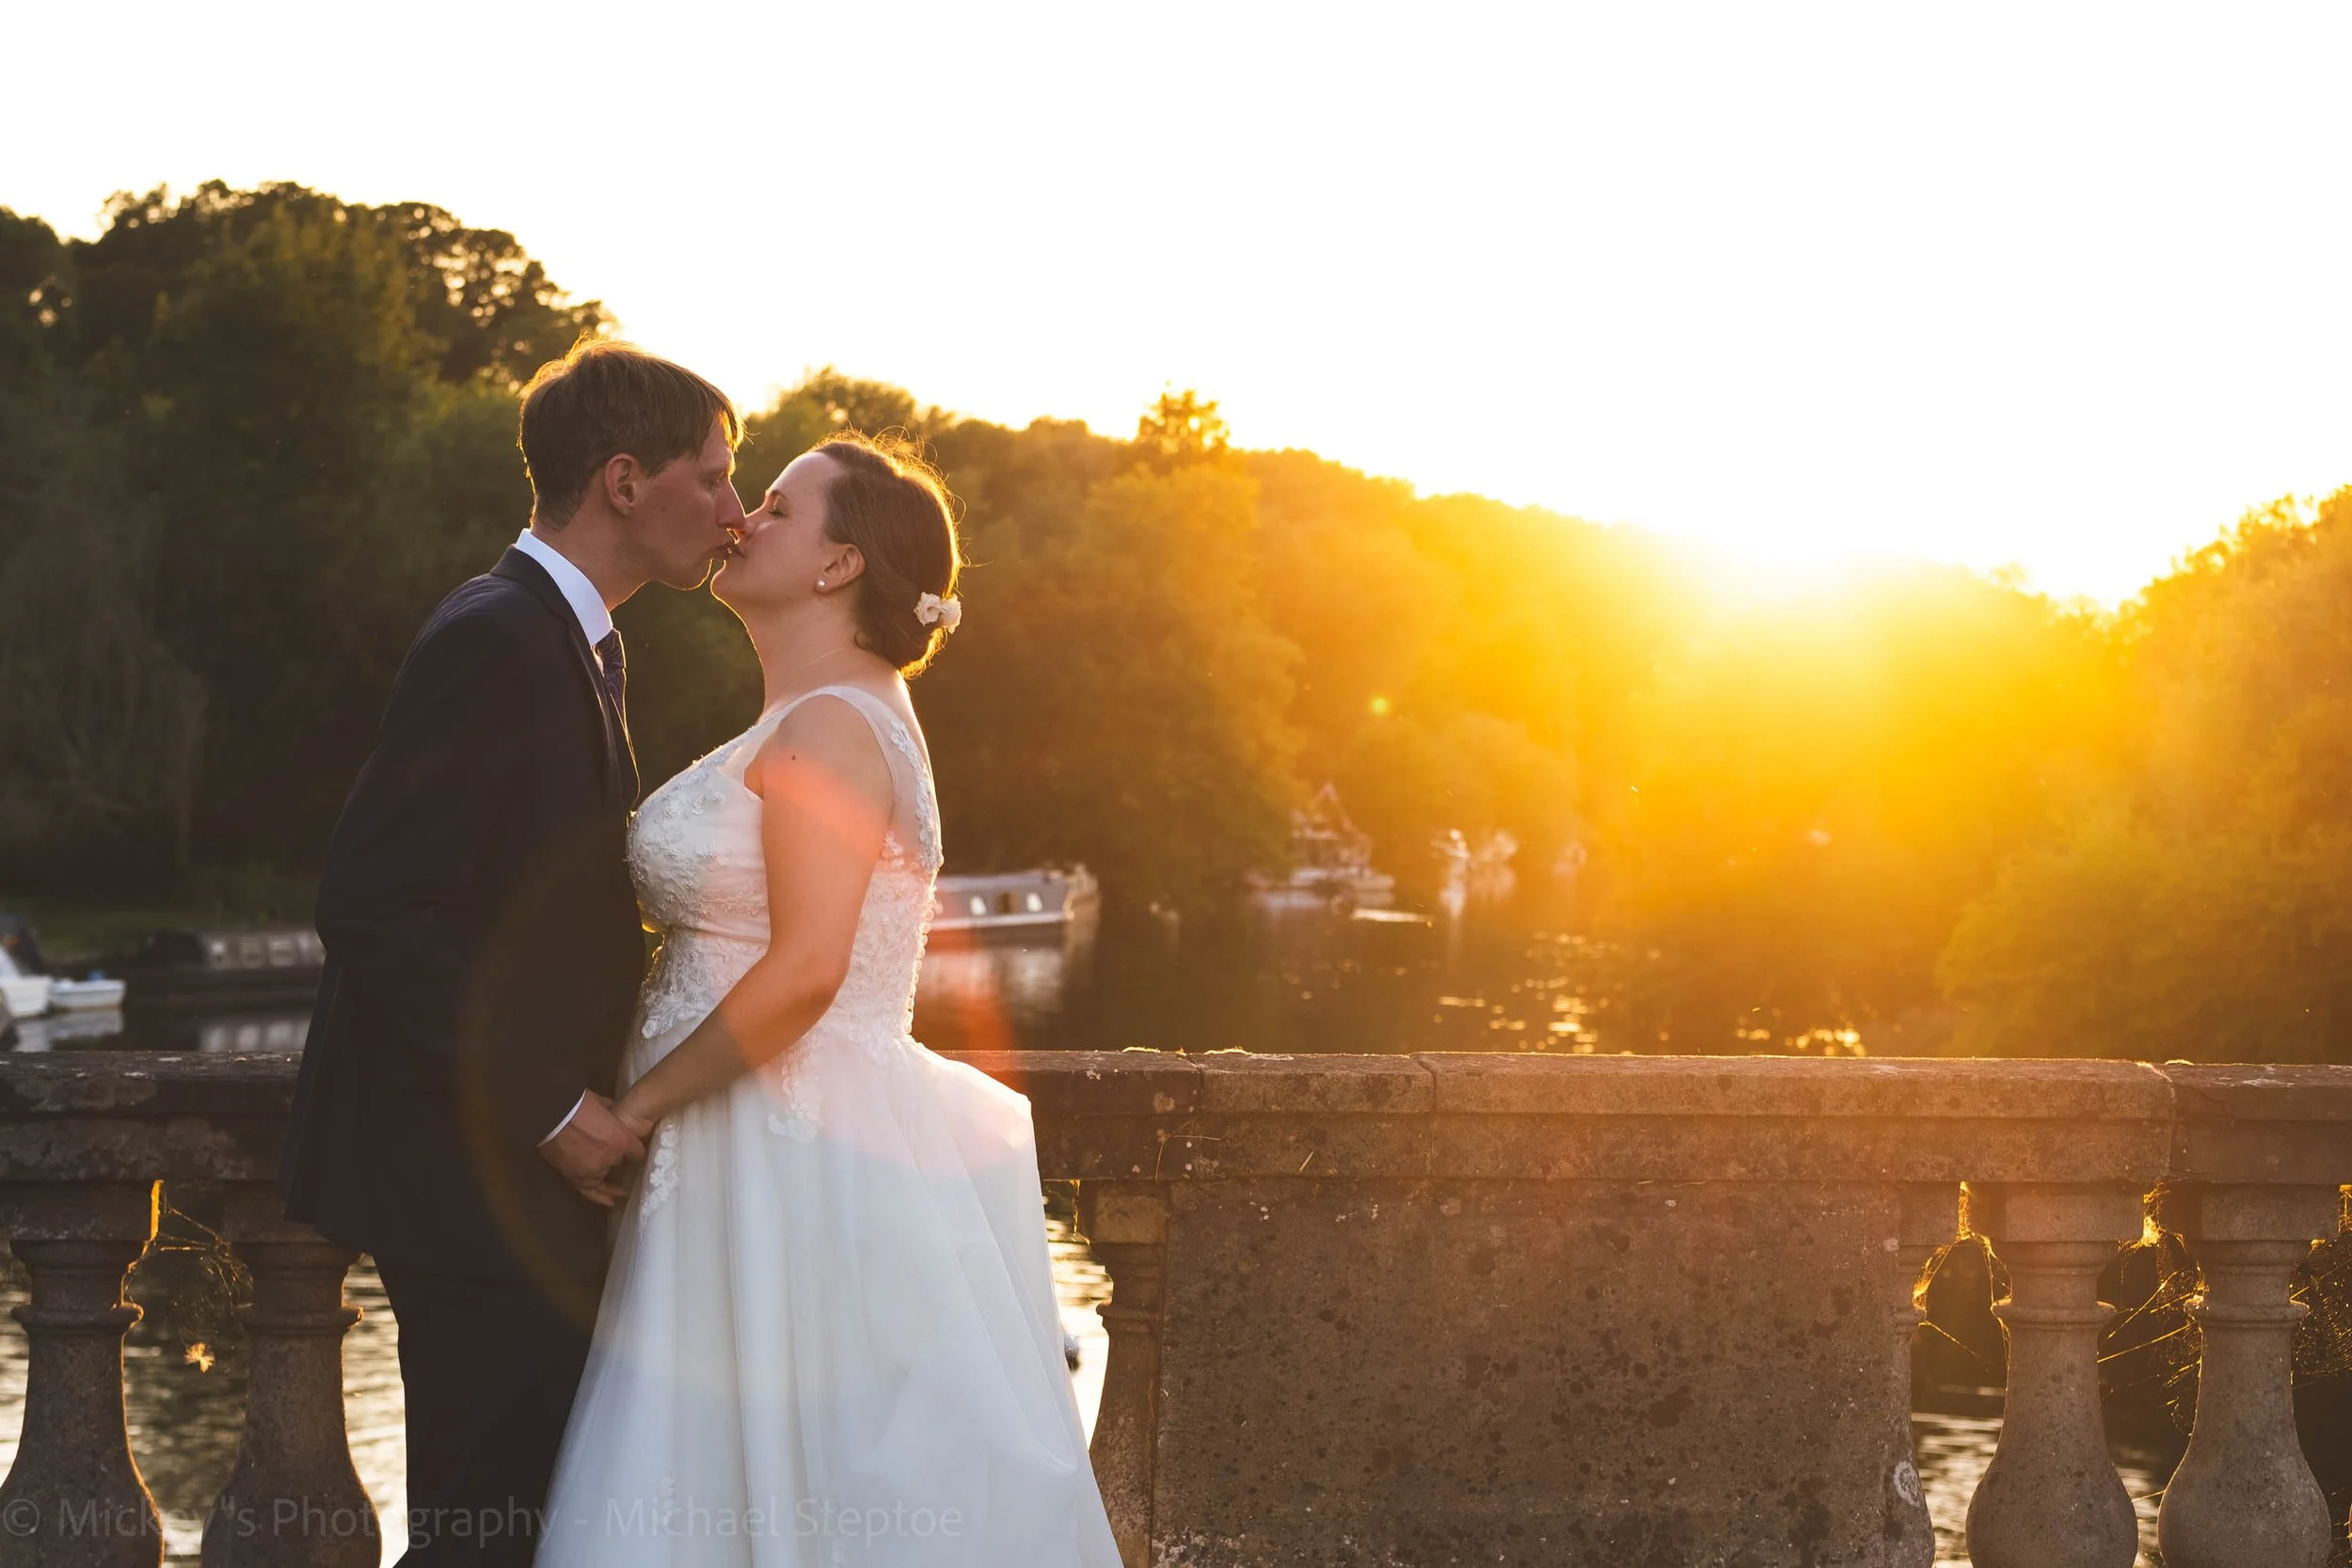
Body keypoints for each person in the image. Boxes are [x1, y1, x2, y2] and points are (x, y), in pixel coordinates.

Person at [534, 432, 1121, 1564]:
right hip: (749, 1141)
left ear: (837, 565)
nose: (742, 516)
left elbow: (807, 968)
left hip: (781, 1154)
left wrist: (638, 1110)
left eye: (779, 507)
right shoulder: (821, 716)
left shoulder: (833, 728)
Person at [278, 338, 746, 1563]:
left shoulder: (580, 637)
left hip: (508, 1182)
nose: (736, 514)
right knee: (480, 1531)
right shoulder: (498, 631)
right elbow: (376, 902)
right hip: (463, 1173)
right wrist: (548, 1108)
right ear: (627, 481)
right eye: (717, 477)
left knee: (516, 1518)